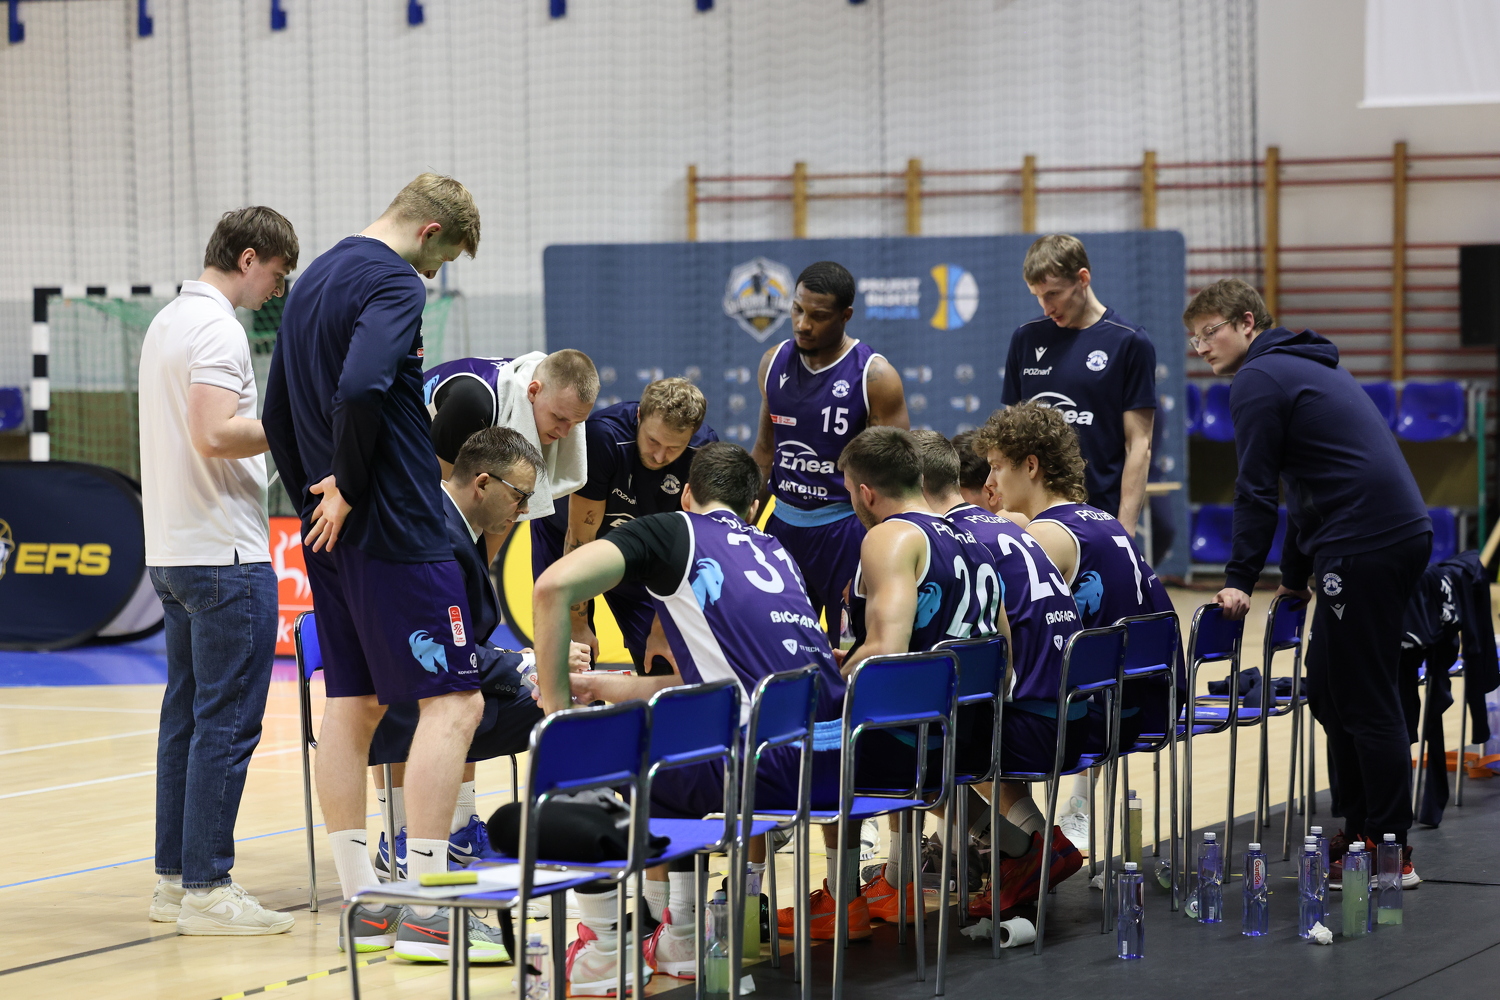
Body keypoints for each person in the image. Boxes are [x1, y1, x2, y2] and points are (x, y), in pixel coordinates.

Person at [263, 173, 493, 958]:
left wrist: (316, 496)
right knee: (454, 704)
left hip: (329, 534)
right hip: (395, 526)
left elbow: (275, 414)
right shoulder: (394, 280)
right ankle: (430, 910)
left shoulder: (310, 281)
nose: (433, 274)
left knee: (352, 705)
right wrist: (351, 487)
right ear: (428, 232)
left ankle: (364, 902)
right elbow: (362, 385)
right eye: (441, 259)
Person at [532, 442, 851, 992]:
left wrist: (557, 706)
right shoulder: (774, 549)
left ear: (685, 495)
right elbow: (712, 683)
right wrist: (599, 684)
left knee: (576, 760)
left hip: (764, 769)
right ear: (753, 507)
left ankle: (602, 950)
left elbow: (552, 585)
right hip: (832, 766)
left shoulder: (674, 531)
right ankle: (680, 936)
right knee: (674, 745)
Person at [1188, 277, 1430, 885]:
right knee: (1326, 686)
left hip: (1366, 541)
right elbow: (1303, 487)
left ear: (1247, 322)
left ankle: (1389, 851)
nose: (1201, 347)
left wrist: (1240, 578)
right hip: (1380, 536)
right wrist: (1294, 578)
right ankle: (1361, 825)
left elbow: (1256, 489)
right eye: (1193, 339)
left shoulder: (1259, 378)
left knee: (1365, 698)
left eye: (1209, 332)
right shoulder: (1296, 366)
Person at [138, 206, 299, 935]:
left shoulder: (168, 321)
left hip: (175, 552)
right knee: (226, 726)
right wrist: (296, 427)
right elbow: (213, 433)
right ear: (248, 258)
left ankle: (176, 883)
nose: (276, 290)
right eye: (276, 274)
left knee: (187, 721)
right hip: (222, 555)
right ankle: (208, 887)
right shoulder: (217, 327)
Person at [366, 428, 590, 896]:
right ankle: (577, 857)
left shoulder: (445, 521)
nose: (523, 509)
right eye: (520, 495)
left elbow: (458, 645)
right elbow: (448, 653)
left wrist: (525, 663)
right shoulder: (438, 535)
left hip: (434, 687)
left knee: (570, 692)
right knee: (574, 700)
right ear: (483, 483)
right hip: (411, 705)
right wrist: (533, 664)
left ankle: (460, 837)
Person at [974, 401, 1180, 853]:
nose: (989, 482)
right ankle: (1014, 845)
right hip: (1145, 702)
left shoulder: (1045, 537)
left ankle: (1027, 846)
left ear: (1031, 466)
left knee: (958, 728)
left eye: (996, 467)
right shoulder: (1101, 519)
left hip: (1099, 717)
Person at [829, 427, 1015, 924]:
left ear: (866, 492)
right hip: (974, 736)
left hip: (915, 744)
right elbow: (1004, 650)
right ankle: (1014, 845)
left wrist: (831, 679)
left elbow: (885, 651)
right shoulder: (973, 537)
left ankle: (841, 900)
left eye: (849, 492)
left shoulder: (889, 535)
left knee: (812, 734)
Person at [910, 430, 1085, 914]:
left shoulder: (950, 540)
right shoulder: (1012, 526)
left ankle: (1026, 848)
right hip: (1082, 715)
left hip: (1037, 724)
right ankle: (1020, 849)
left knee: (916, 745)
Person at [750, 260, 908, 648]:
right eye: (797, 310)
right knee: (778, 647)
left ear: (845, 315)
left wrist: (882, 545)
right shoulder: (772, 362)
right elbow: (765, 451)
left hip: (846, 531)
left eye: (818, 316)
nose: (803, 324)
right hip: (783, 529)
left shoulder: (875, 376)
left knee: (850, 651)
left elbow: (896, 477)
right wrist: (739, 524)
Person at [533, 376, 717, 672]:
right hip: (567, 539)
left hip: (638, 552)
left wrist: (661, 630)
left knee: (661, 662)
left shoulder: (704, 452)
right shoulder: (604, 437)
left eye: (674, 447)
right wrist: (577, 624)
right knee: (573, 658)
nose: (660, 456)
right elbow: (580, 538)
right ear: (640, 416)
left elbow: (690, 551)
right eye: (653, 441)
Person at [1001, 234, 1156, 533]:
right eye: (1037, 296)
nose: (1046, 308)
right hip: (1033, 520)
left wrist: (1124, 529)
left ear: (1083, 279)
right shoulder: (1025, 338)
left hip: (1099, 514)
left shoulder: (1129, 341)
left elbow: (1139, 444)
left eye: (1053, 294)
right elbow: (1010, 439)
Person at [424, 349, 598, 561]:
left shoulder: (542, 408)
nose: (564, 433)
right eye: (559, 418)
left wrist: (480, 575)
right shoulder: (473, 404)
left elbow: (507, 512)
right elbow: (441, 501)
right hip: (394, 449)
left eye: (575, 423)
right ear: (533, 391)